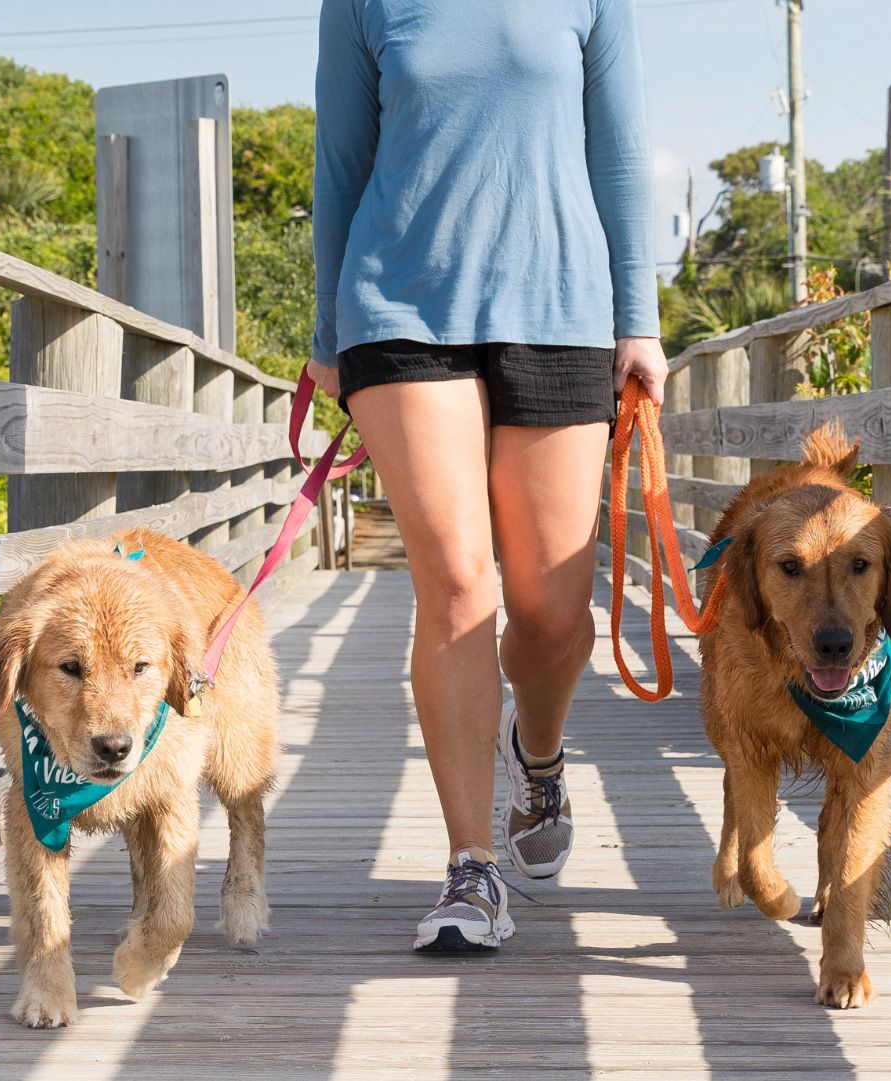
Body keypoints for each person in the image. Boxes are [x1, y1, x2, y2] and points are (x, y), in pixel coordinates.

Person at [306, 0, 668, 952]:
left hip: (559, 306)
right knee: (458, 584)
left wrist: (641, 320)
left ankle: (535, 754)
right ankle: (473, 868)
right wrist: (324, 338)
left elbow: (622, 152)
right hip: (398, 309)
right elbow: (340, 162)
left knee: (552, 611)